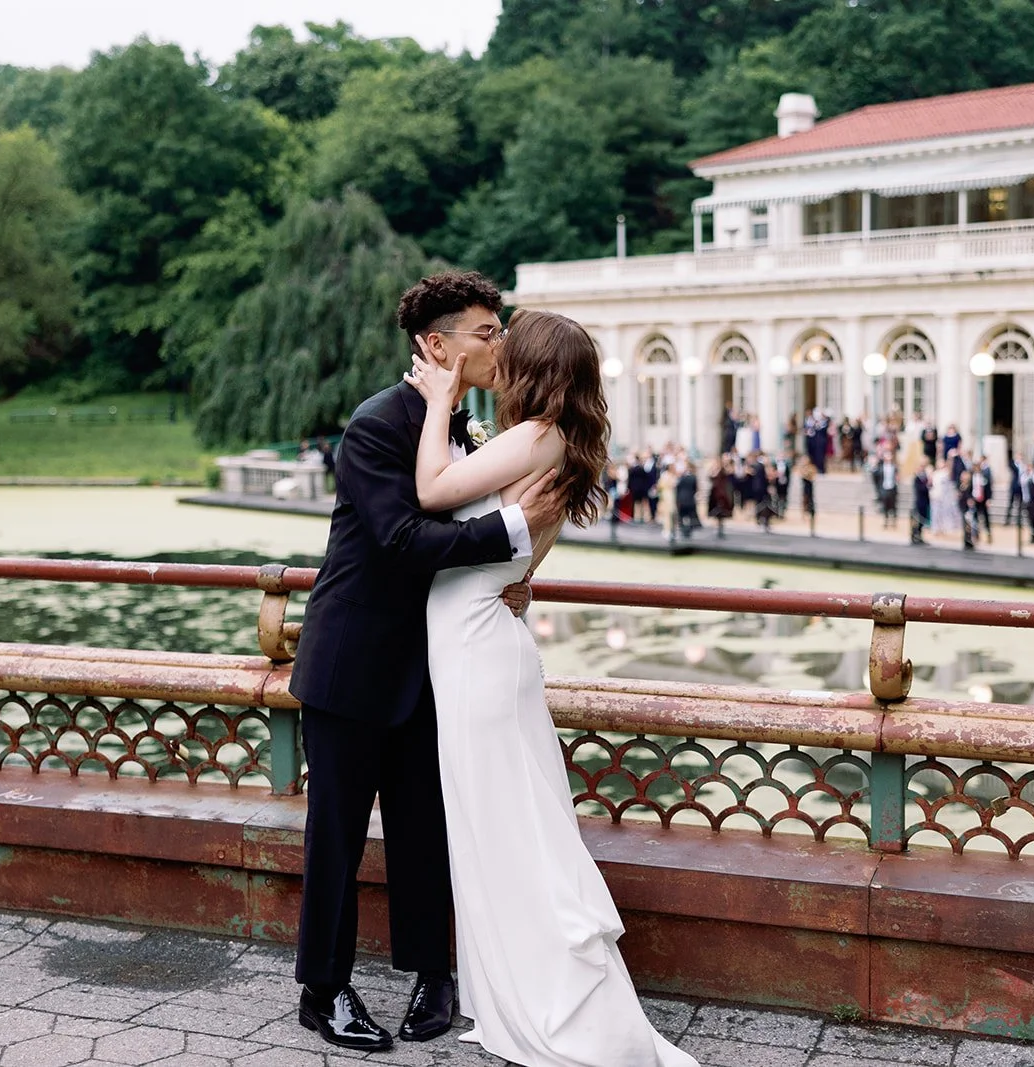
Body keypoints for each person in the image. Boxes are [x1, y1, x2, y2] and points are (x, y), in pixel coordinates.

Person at [404, 310, 699, 1067]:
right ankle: (513, 996)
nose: (497, 348)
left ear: (534, 365)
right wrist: (520, 581)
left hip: (477, 651)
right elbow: (519, 559)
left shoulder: (534, 434)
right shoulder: (553, 439)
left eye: (510, 341)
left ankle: (554, 1006)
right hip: (480, 641)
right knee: (495, 827)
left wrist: (439, 400)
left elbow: (432, 490)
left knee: (508, 830)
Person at [289, 272, 568, 1053]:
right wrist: (510, 532)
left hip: (438, 666)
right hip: (351, 663)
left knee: (426, 830)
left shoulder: (473, 430)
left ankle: (433, 977)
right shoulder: (377, 424)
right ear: (436, 345)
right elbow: (401, 541)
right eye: (487, 331)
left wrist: (517, 573)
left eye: (500, 329)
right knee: (336, 835)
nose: (501, 343)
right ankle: (323, 989)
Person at [708, 455, 735, 538]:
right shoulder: (715, 470)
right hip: (715, 493)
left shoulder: (724, 470)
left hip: (722, 493)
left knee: (722, 511)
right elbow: (710, 477)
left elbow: (730, 472)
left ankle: (720, 528)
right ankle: (718, 528)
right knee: (717, 511)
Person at [872, 448, 899, 528]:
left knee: (893, 505)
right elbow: (875, 477)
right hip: (884, 488)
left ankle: (893, 520)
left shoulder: (894, 467)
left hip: (892, 488)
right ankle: (886, 520)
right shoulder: (880, 467)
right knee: (885, 505)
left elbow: (897, 477)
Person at [911, 463, 932, 545]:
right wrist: (927, 485)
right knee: (918, 520)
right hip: (919, 502)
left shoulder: (925, 478)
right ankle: (914, 535)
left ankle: (919, 535)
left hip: (925, 502)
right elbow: (920, 489)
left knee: (922, 521)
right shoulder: (917, 479)